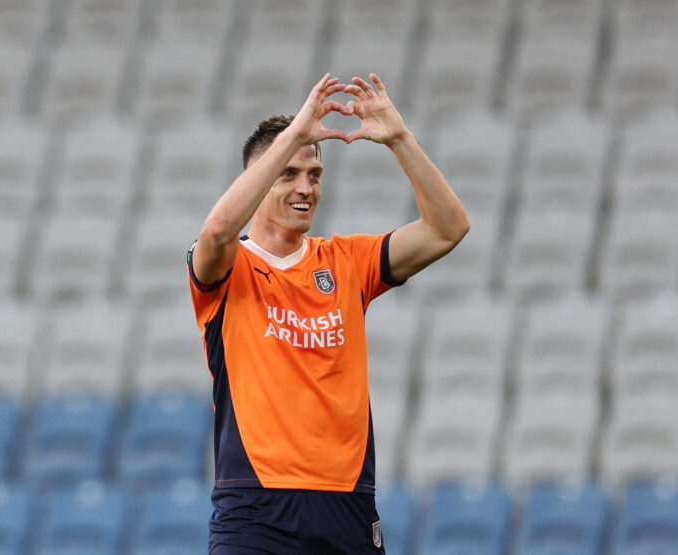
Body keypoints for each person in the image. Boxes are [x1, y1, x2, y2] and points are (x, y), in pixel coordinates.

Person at [188, 72, 469, 554]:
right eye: (289, 173)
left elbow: (448, 228)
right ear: (257, 182)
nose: (306, 188)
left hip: (347, 507)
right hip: (255, 509)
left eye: (315, 174)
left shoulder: (346, 262)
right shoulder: (228, 266)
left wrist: (401, 139)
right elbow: (216, 232)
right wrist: (295, 134)